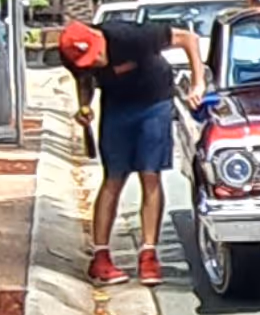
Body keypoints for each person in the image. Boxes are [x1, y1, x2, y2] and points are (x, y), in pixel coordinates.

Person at [57, 17, 204, 286]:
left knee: (150, 175)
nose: (95, 61)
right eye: (86, 60)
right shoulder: (72, 55)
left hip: (154, 101)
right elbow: (84, 78)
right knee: (113, 177)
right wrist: (84, 106)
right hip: (116, 106)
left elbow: (187, 39)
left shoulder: (130, 36)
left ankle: (148, 254)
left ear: (99, 39)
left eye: (95, 55)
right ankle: (100, 256)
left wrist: (198, 83)